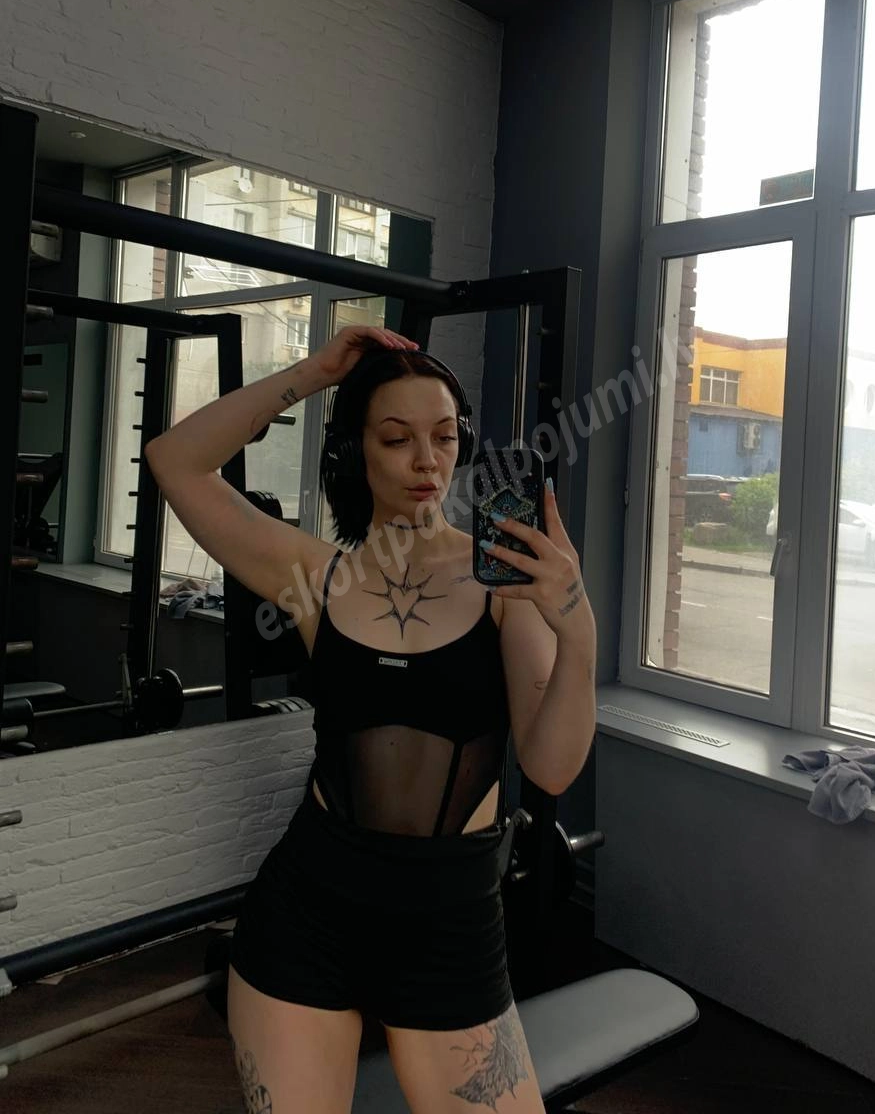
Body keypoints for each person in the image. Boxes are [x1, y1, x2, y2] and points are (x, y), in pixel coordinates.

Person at [145, 323, 597, 1114]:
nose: (427, 461)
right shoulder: (314, 577)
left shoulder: (504, 584)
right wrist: (317, 370)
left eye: (445, 437)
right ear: (358, 449)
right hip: (306, 916)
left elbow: (551, 766)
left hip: (450, 928)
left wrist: (578, 632)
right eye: (396, 439)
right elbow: (174, 459)